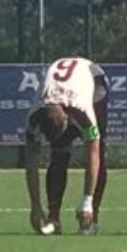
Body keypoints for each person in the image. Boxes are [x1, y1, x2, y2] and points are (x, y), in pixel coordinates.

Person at [24, 57, 109, 236]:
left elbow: (93, 155)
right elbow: (31, 164)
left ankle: (92, 216)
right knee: (60, 152)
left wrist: (87, 201)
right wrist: (35, 206)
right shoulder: (33, 117)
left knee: (98, 147)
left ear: (66, 119)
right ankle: (53, 217)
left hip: (94, 78)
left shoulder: (82, 112)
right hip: (62, 89)